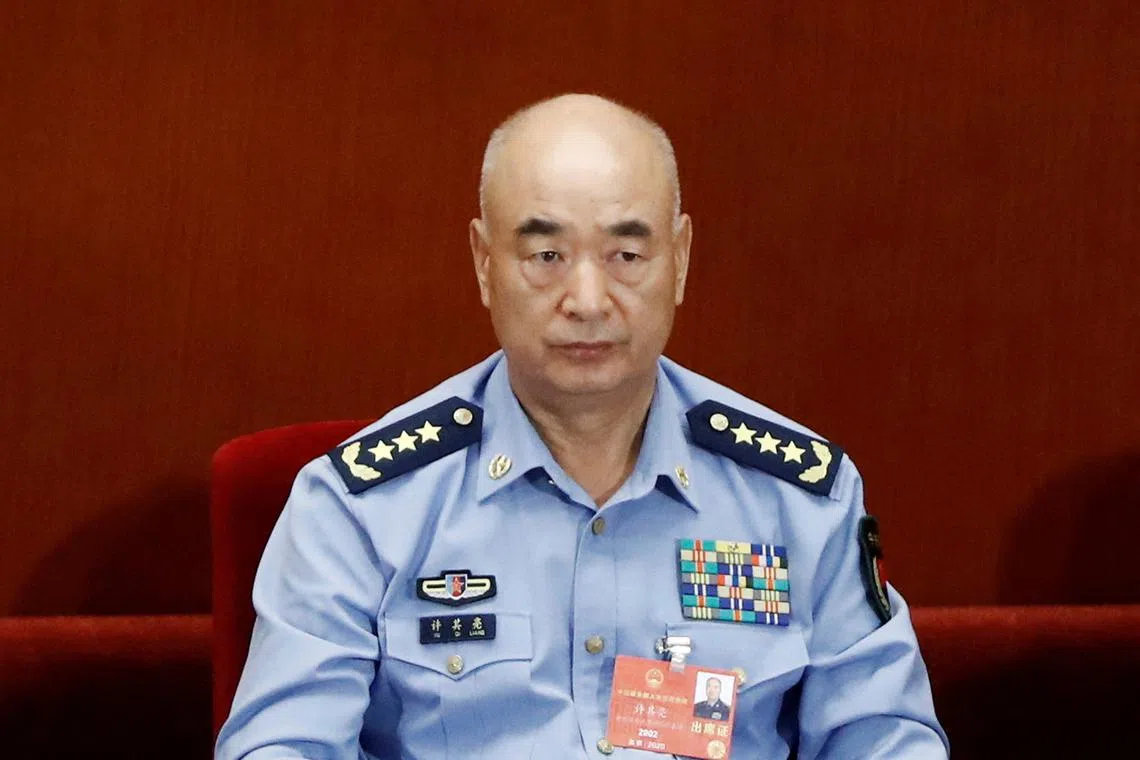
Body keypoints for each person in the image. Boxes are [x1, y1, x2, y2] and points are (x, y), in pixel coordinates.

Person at [215, 93, 949, 758]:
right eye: (546, 256)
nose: (588, 298)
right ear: (482, 263)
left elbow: (888, 741)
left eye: (627, 255)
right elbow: (279, 749)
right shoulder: (361, 507)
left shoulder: (798, 497)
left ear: (682, 260)